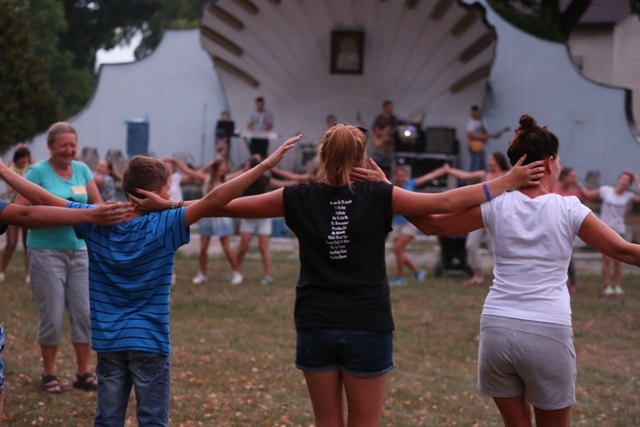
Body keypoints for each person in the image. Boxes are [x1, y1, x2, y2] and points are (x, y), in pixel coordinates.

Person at [131, 123, 543, 427]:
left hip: (315, 323)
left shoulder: (296, 196)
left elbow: (221, 206)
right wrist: (506, 181)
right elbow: (445, 201)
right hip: (368, 325)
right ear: (363, 158)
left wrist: (168, 205)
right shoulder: (381, 195)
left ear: (321, 157)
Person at [1, 135, 299, 426]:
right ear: (155, 193)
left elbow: (41, 198)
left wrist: (2, 170)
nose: (170, 194)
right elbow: (215, 200)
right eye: (168, 189)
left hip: (109, 339)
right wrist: (264, 166)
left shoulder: (95, 218)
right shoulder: (167, 222)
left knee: (107, 419)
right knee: (153, 419)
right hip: (150, 340)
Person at [409, 114, 640, 427]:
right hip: (547, 331)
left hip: (497, 330)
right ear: (549, 163)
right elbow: (624, 251)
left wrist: (387, 194)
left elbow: (429, 223)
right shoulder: (569, 208)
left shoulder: (496, 204)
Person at [12, 122, 105, 394]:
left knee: (84, 314)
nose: (69, 150)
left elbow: (97, 203)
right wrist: (61, 212)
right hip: (45, 252)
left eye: (73, 145)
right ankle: (49, 372)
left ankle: (83, 372)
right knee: (51, 315)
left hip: (80, 251)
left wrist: (93, 213)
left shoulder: (82, 170)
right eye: (63, 145)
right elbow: (18, 209)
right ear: (51, 146)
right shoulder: (36, 172)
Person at [168, 155, 244, 286]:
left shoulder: (225, 179)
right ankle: (202, 273)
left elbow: (240, 174)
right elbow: (189, 172)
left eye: (224, 168)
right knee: (203, 247)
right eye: (221, 168)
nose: (223, 170)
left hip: (222, 217)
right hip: (207, 216)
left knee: (226, 246)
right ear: (215, 169)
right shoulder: (206, 179)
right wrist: (176, 162)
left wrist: (249, 168)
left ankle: (236, 272)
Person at [439, 152, 511, 286]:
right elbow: (464, 175)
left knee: (494, 248)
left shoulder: (507, 175)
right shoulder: (483, 174)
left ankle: (506, 278)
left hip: (498, 217)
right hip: (481, 214)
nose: (489, 162)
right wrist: (448, 170)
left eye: (492, 160)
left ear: (498, 161)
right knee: (471, 245)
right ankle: (478, 276)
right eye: (489, 159)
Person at [235, 155, 299, 285]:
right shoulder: (243, 180)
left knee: (263, 247)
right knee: (243, 247)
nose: (245, 168)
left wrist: (296, 183)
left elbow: (280, 185)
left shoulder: (264, 180)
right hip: (248, 218)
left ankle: (268, 275)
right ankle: (235, 271)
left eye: (248, 165)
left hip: (263, 218)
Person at [580, 170, 640, 296]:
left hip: (619, 230)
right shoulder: (606, 190)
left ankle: (617, 286)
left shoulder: (628, 196)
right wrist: (579, 184)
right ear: (618, 180)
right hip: (605, 229)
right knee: (607, 259)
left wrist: (636, 179)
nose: (624, 182)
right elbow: (588, 194)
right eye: (623, 179)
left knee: (619, 260)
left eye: (627, 181)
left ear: (629, 184)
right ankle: (606, 285)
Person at [388, 164, 448, 286]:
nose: (400, 178)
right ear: (395, 176)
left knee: (398, 249)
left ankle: (400, 278)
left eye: (402, 176)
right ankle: (418, 271)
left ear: (406, 176)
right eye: (398, 176)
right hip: (396, 223)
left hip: (410, 222)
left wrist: (443, 170)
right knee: (397, 251)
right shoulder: (391, 186)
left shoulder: (410, 184)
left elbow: (428, 177)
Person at [553, 167, 589, 293]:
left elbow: (588, 196)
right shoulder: (552, 188)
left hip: (566, 231)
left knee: (567, 257)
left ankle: (572, 282)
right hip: (550, 228)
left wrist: (578, 184)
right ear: (564, 176)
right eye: (572, 176)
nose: (575, 179)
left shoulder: (575, 193)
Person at [0, 144, 33, 283]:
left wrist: (27, 152)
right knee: (12, 243)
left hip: (26, 208)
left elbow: (34, 164)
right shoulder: (10, 170)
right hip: (10, 209)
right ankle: (1, 271)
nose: (24, 161)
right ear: (17, 158)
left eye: (26, 158)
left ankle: (28, 273)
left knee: (27, 243)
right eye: (22, 158)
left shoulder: (29, 169)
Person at [466, 105, 508, 171]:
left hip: (480, 147)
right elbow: (469, 135)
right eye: (472, 113)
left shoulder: (482, 122)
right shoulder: (471, 123)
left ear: (478, 112)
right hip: (474, 146)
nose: (473, 114)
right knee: (474, 167)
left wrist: (494, 136)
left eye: (475, 112)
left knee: (482, 167)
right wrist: (481, 137)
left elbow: (486, 134)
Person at [370, 100, 405, 176]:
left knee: (390, 164)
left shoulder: (394, 119)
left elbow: (396, 128)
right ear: (385, 108)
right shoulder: (380, 118)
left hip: (390, 146)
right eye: (389, 107)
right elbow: (374, 128)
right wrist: (381, 133)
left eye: (391, 107)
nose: (390, 109)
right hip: (381, 146)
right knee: (377, 163)